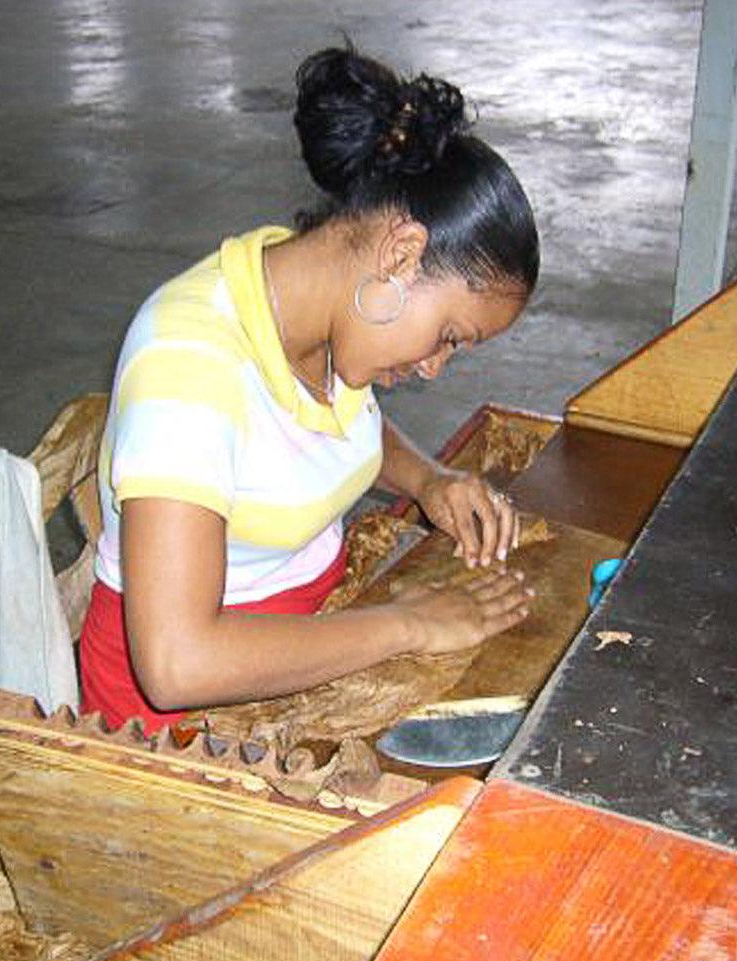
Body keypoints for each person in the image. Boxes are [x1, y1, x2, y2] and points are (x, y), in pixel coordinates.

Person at [79, 44, 540, 734]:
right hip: (182, 733)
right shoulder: (188, 362)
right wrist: (407, 624)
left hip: (308, 644)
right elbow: (177, 663)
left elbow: (312, 426)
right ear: (403, 253)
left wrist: (429, 480)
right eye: (449, 334)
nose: (436, 366)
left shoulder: (311, 299)